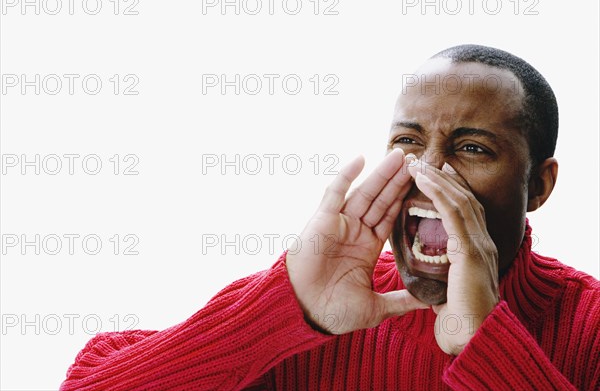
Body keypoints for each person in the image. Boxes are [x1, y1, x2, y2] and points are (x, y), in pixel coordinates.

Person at [60, 45, 599, 390]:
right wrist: (284, 312)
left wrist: (489, 346)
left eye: (473, 149)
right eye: (409, 141)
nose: (429, 172)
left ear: (539, 185)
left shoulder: (590, 325)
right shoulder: (320, 306)